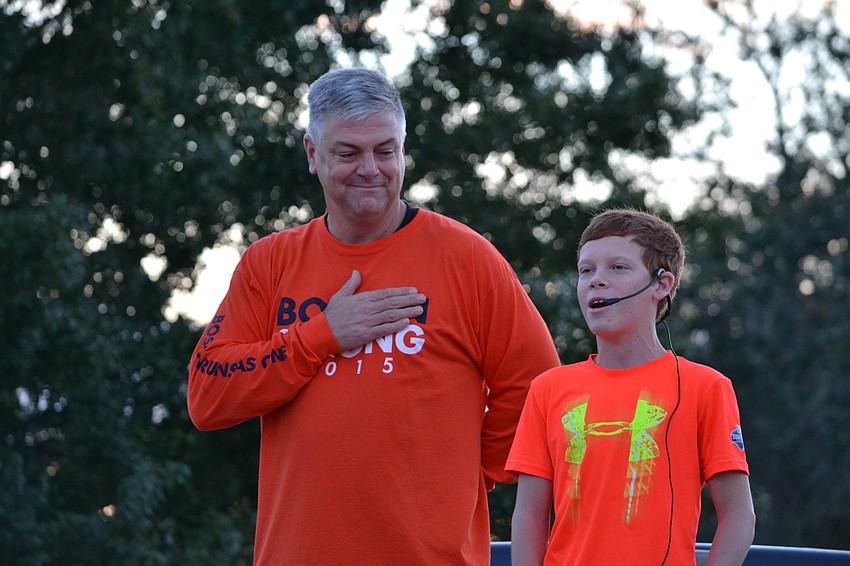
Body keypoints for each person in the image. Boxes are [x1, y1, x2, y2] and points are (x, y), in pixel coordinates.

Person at [187, 67, 561, 566]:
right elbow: (207, 396)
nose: (371, 168)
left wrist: (472, 472)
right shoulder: (270, 262)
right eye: (349, 153)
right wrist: (320, 336)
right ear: (312, 156)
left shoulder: (467, 259)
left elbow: (541, 393)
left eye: (386, 151)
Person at [506, 209, 755, 565]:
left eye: (617, 268)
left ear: (661, 284)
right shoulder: (548, 388)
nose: (596, 280)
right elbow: (529, 514)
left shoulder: (706, 387)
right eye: (586, 270)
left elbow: (739, 515)